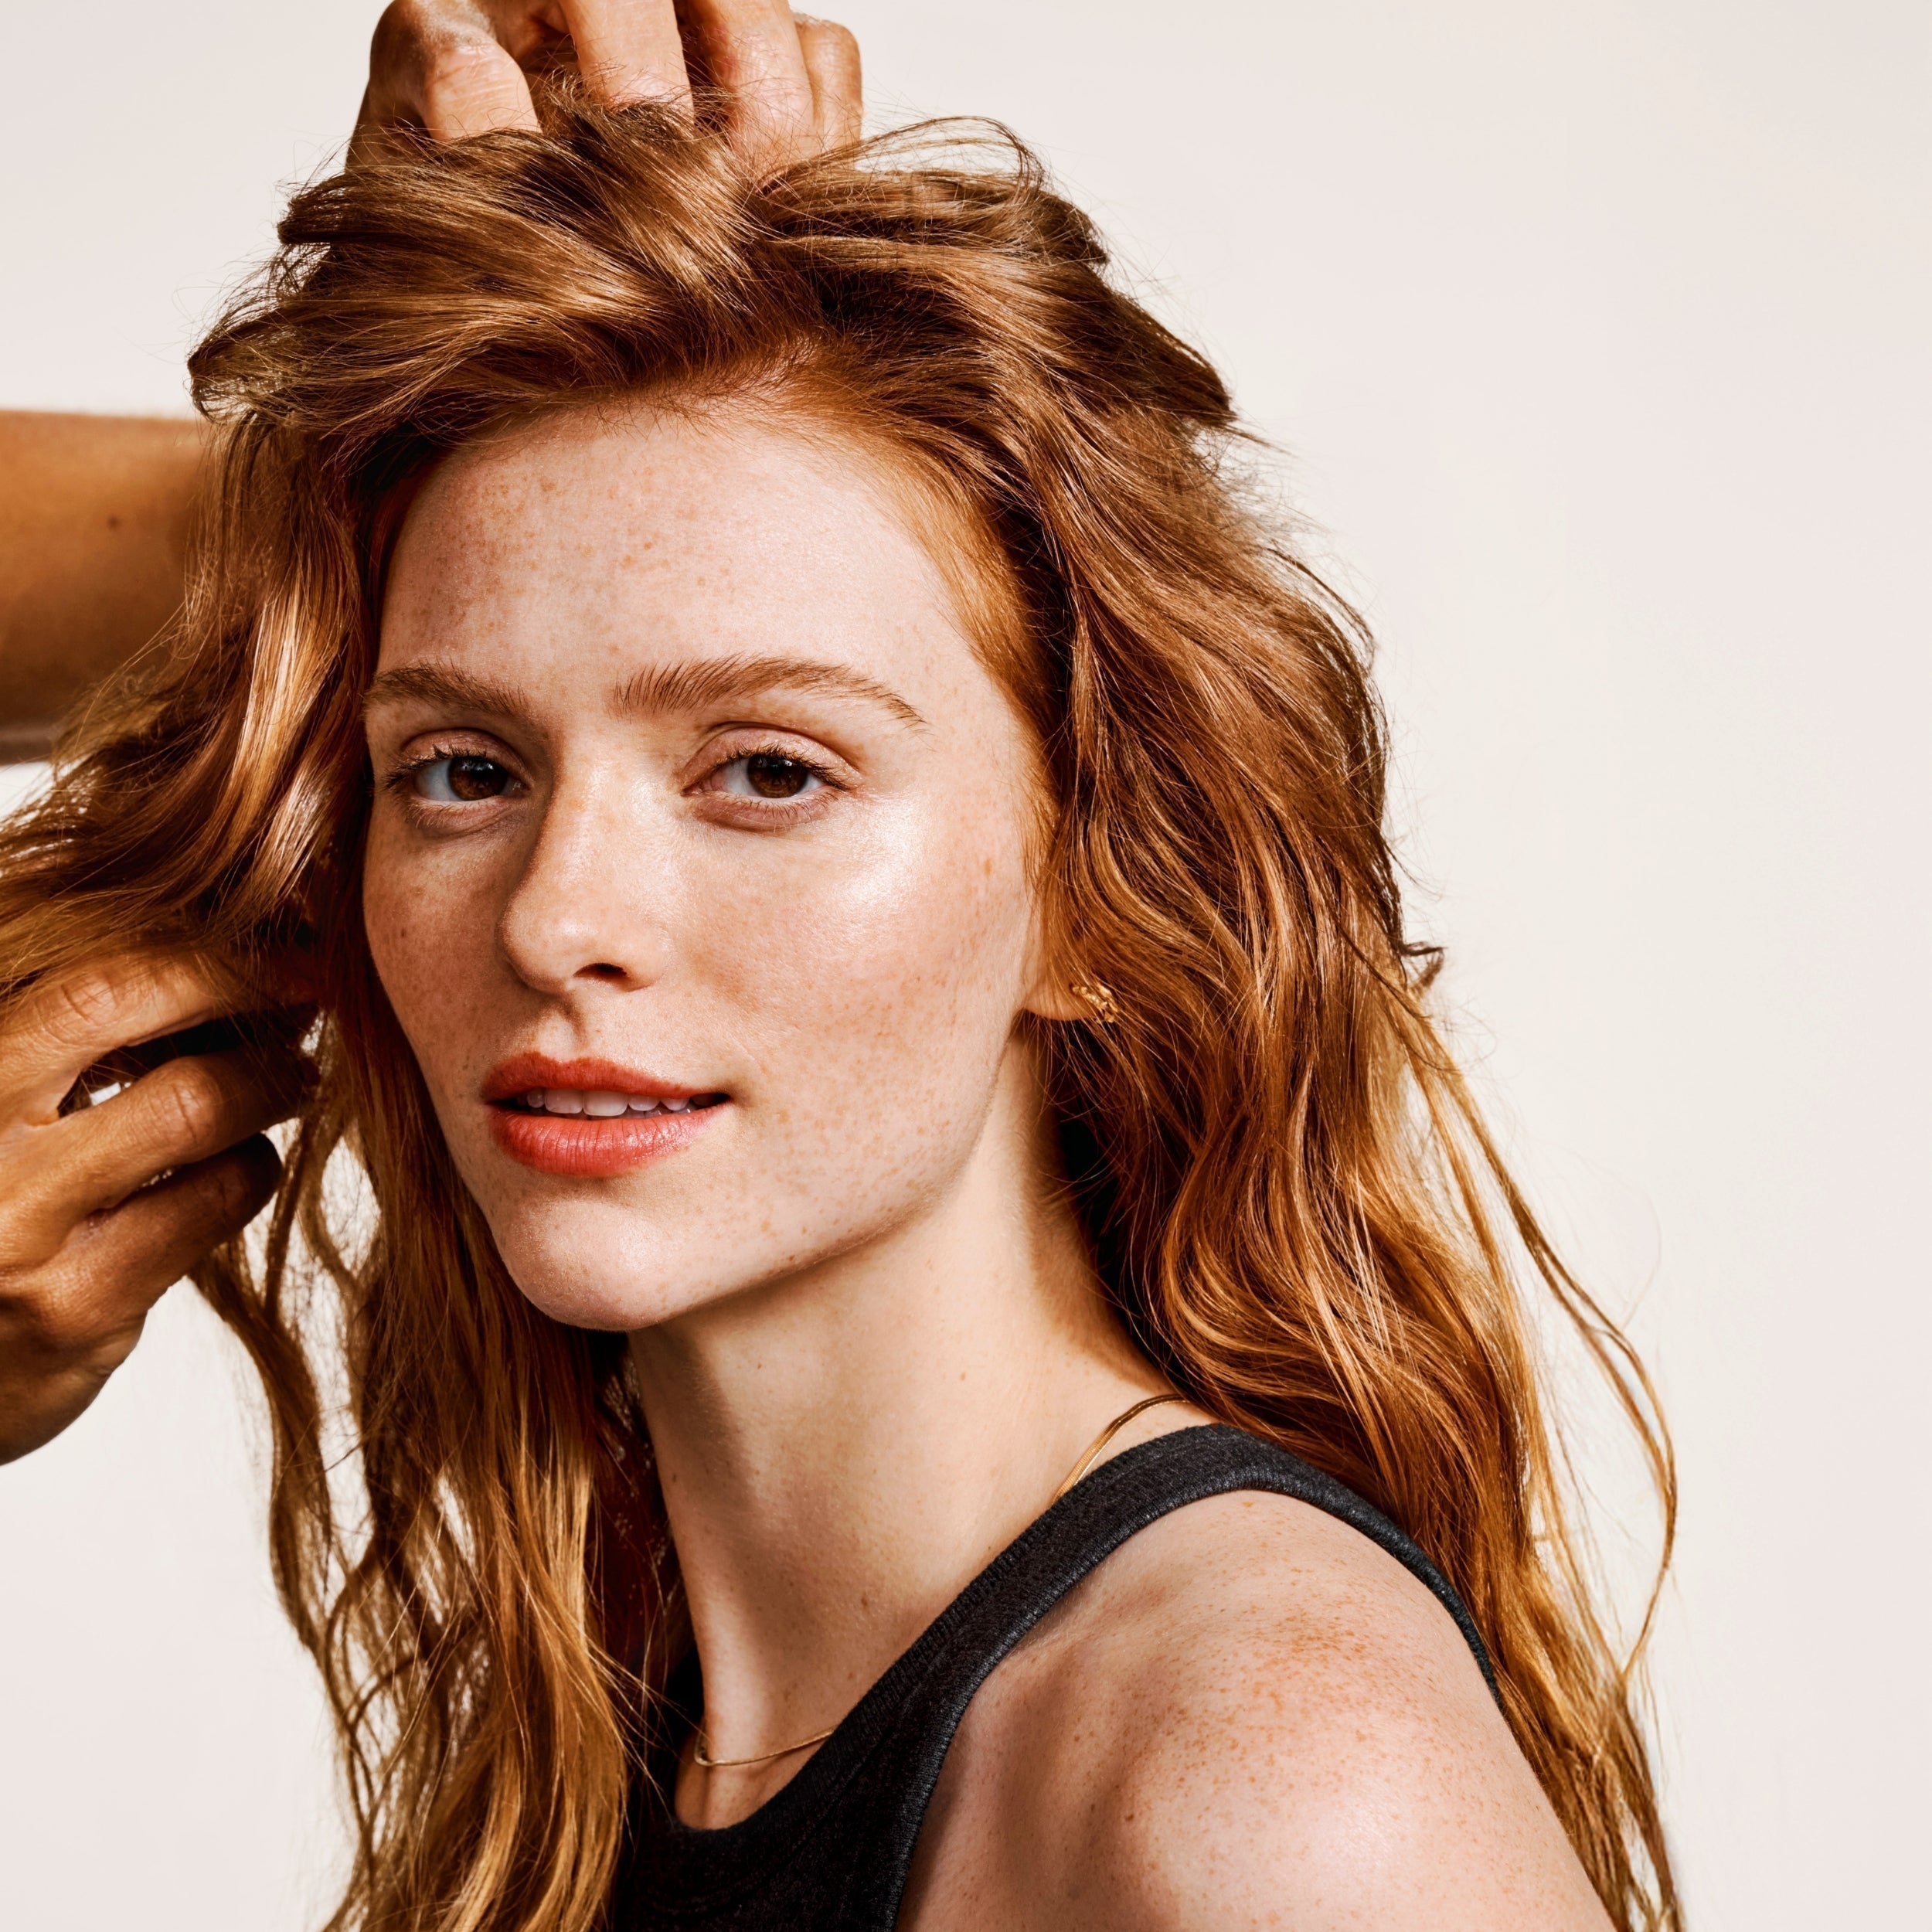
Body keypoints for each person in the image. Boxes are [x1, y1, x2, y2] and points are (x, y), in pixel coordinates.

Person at [0, 5, 1677, 1929]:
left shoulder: (1264, 1773)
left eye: (770, 771)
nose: (556, 920)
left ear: (1093, 891)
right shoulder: (655, 1700)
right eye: (464, 768)